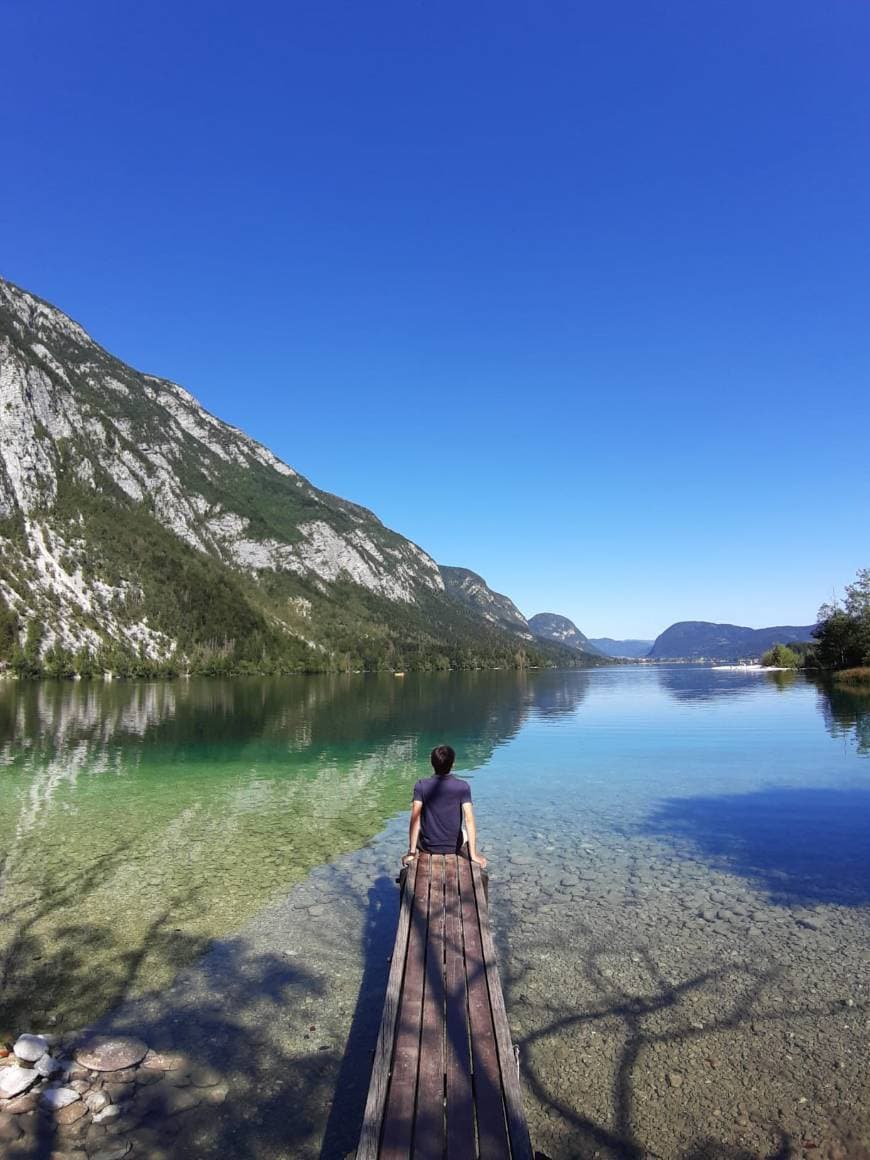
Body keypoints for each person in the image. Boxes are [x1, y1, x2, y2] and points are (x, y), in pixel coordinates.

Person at [401, 744, 487, 868]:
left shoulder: (421, 785)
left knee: (420, 831)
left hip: (427, 846)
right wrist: (474, 856)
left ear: (432, 763)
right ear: (453, 764)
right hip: (454, 846)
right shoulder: (463, 786)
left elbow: (415, 818)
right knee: (465, 833)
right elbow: (469, 819)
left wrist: (412, 852)